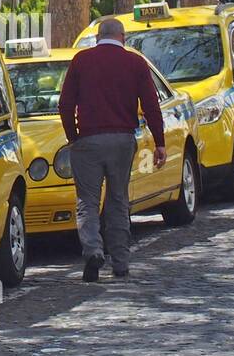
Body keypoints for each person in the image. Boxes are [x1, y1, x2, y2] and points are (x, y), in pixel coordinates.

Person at [58, 16, 166, 282]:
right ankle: (121, 261)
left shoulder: (81, 61)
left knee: (88, 202)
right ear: (123, 37)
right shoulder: (135, 62)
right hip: (122, 139)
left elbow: (65, 104)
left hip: (89, 141)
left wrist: (74, 137)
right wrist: (159, 142)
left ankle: (93, 250)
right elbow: (151, 105)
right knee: (118, 200)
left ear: (97, 37)